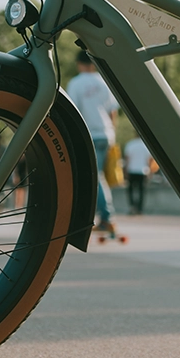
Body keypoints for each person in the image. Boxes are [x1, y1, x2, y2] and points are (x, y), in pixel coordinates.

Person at [67, 50, 119, 233]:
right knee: (97, 176)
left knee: (93, 177)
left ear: (79, 64)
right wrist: (113, 134)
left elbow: (73, 112)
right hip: (106, 134)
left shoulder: (76, 83)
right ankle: (103, 217)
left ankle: (106, 217)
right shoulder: (103, 81)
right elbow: (113, 111)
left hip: (89, 134)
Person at [123, 136, 153, 215]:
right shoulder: (145, 145)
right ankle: (140, 208)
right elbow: (149, 160)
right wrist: (150, 171)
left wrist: (125, 170)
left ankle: (132, 206)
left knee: (131, 190)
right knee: (141, 191)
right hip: (142, 171)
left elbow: (127, 159)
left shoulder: (130, 144)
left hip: (132, 170)